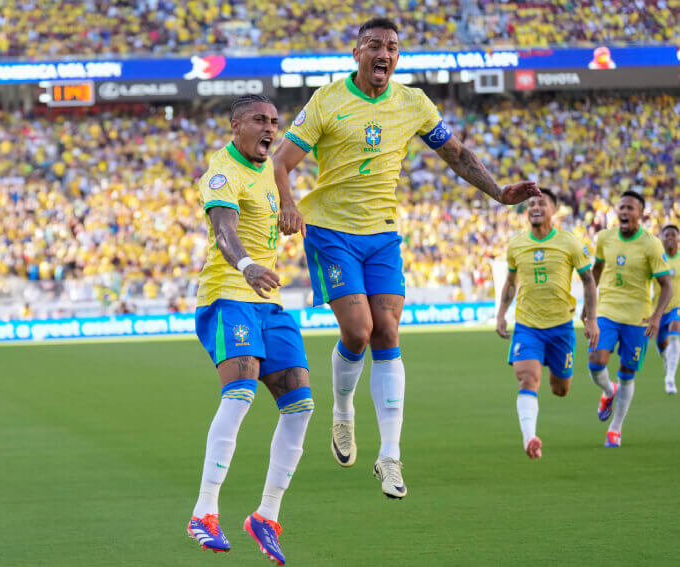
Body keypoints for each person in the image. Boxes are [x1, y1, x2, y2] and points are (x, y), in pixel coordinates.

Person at [271, 16, 539, 499]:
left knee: (388, 331)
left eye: (392, 46)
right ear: (357, 53)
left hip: (383, 234)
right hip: (331, 230)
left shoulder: (412, 103)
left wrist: (499, 192)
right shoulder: (328, 100)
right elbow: (281, 160)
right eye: (374, 44)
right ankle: (343, 410)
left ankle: (390, 456)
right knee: (358, 331)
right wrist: (289, 205)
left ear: (398, 56)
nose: (384, 53)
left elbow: (456, 155)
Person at [187, 94, 313, 566]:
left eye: (275, 121)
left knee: (300, 403)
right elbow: (224, 230)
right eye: (260, 120)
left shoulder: (268, 166)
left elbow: (280, 178)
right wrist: (246, 265)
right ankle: (204, 511)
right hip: (228, 294)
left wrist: (289, 206)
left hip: (269, 301)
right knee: (240, 393)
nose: (271, 128)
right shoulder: (223, 171)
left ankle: (267, 516)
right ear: (235, 125)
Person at [496, 189, 598, 459]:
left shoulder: (570, 242)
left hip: (561, 327)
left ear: (554, 210)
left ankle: (555, 375)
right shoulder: (517, 244)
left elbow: (588, 280)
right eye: (531, 204)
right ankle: (530, 438)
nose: (535, 207)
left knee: (560, 389)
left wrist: (591, 318)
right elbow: (510, 281)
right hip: (528, 326)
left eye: (542, 203)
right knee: (528, 379)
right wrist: (500, 314)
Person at [588, 191, 673, 448]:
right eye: (621, 207)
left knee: (627, 372)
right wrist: (590, 308)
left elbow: (666, 285)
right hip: (607, 311)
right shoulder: (605, 238)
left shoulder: (651, 244)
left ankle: (616, 428)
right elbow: (596, 270)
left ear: (640, 214)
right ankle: (607, 392)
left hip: (638, 318)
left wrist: (657, 316)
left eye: (630, 208)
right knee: (595, 362)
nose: (624, 212)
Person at [655, 224, 680, 394]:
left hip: (677, 307)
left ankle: (670, 379)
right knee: (661, 343)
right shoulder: (656, 259)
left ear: (678, 239)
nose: (670, 237)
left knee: (675, 337)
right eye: (666, 235)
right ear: (661, 238)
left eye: (673, 234)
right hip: (658, 308)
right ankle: (666, 357)